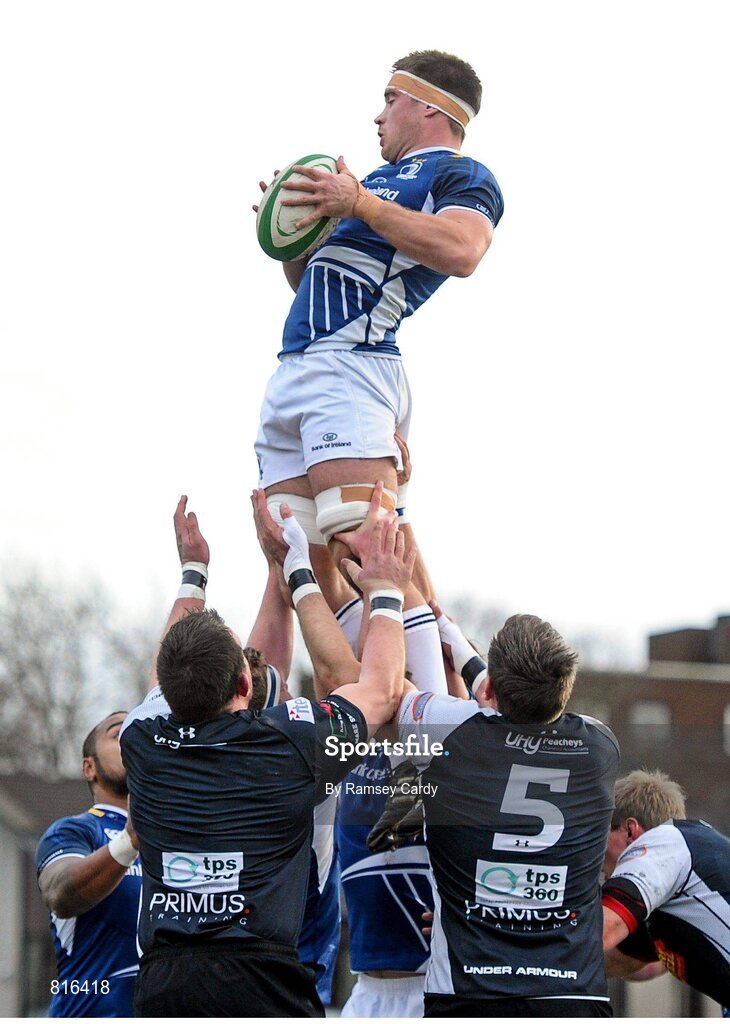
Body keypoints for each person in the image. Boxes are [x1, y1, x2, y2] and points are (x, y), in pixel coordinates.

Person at [120, 491, 415, 1017]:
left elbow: (181, 668)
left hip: (166, 984)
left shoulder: (141, 740)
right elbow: (379, 691)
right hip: (267, 980)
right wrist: (383, 586)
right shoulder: (290, 741)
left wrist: (196, 572)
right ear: (243, 682)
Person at [254, 49, 504, 582]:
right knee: (298, 573)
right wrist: (295, 230)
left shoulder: (462, 174)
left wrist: (360, 204)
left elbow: (464, 250)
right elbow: (313, 286)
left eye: (391, 99)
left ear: (430, 108)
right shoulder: (368, 183)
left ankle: (460, 666)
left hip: (352, 369)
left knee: (366, 554)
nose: (378, 115)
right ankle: (359, 671)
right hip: (297, 367)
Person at [394, 614, 620, 1017]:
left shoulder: (451, 731)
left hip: (467, 995)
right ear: (564, 691)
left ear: (494, 689)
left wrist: (440, 629)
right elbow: (506, 703)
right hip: (572, 997)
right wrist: (460, 646)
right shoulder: (600, 746)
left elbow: (389, 690)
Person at [36, 713, 142, 1017]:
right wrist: (129, 842)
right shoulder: (74, 831)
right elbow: (60, 893)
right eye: (117, 733)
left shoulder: (172, 840)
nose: (130, 739)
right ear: (89, 767)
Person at [601, 769, 730, 1007]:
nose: (596, 853)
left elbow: (603, 930)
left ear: (630, 830)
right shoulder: (677, 881)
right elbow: (617, 960)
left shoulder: (665, 842)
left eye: (601, 835)